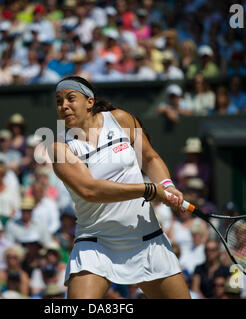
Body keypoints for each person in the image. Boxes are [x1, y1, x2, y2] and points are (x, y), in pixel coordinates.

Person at [49, 76, 190, 298]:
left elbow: (150, 158)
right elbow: (90, 191)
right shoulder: (58, 147)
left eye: (70, 98)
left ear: (89, 101)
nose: (63, 105)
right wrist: (149, 190)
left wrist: (167, 185)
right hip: (96, 244)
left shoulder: (121, 119)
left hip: (146, 240)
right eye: (58, 101)